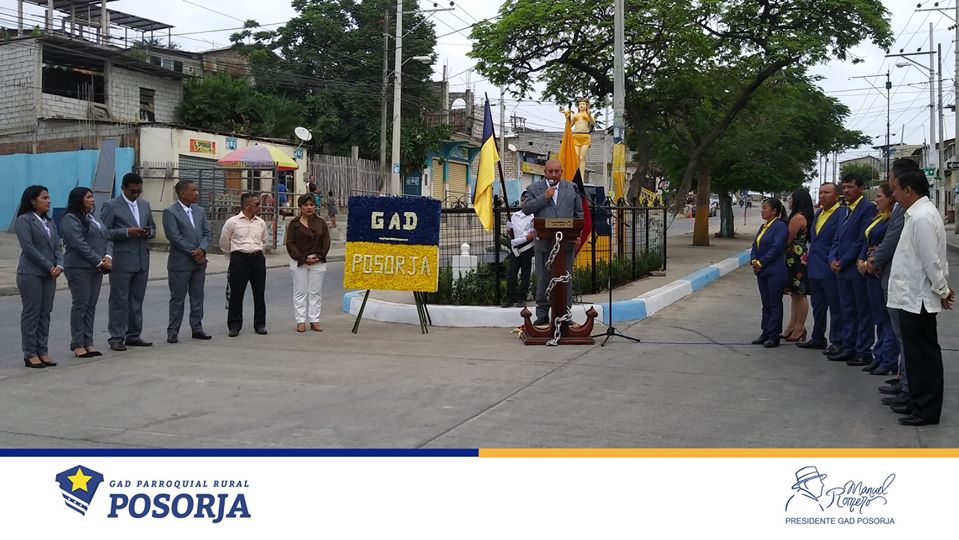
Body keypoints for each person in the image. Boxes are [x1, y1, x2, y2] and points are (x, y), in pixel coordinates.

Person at [886, 167, 954, 426]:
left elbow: (931, 261)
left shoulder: (922, 217)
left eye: (895, 190)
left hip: (918, 300)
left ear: (908, 190)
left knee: (924, 358)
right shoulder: (915, 214)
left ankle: (926, 409)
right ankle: (916, 401)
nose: (893, 195)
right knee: (915, 357)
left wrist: (942, 290)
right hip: (910, 299)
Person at [865, 159, 919, 407]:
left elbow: (891, 241)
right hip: (890, 274)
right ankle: (903, 379)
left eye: (891, 178)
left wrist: (873, 262)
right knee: (898, 333)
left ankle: (908, 386)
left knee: (902, 335)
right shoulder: (902, 208)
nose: (889, 183)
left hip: (899, 279)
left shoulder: (913, 212)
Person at [522, 159, 584, 326]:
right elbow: (526, 209)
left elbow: (579, 214)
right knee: (543, 278)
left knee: (565, 278)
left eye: (557, 171)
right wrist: (544, 197)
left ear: (561, 172)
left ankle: (565, 313)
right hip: (544, 242)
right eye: (551, 171)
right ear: (545, 172)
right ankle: (542, 313)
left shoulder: (571, 188)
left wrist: (577, 235)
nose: (554, 175)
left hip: (566, 243)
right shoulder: (534, 188)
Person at [101, 172, 156, 352]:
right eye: (133, 191)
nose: (136, 194)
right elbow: (104, 232)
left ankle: (133, 334)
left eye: (139, 191)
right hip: (122, 259)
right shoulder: (111, 206)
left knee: (136, 300)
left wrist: (149, 232)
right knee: (119, 300)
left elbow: (153, 227)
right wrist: (126, 232)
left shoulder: (144, 205)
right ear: (123, 188)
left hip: (141, 259)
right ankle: (116, 337)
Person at [827, 173, 876, 366]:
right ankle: (848, 347)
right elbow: (837, 239)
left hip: (856, 268)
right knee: (846, 310)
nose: (846, 190)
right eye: (844, 187)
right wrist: (832, 259)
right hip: (841, 270)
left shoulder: (867, 209)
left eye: (850, 187)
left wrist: (844, 260)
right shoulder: (843, 210)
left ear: (861, 188)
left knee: (862, 311)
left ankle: (863, 350)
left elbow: (861, 240)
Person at [60, 187, 112, 359]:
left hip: (97, 268)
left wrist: (107, 256)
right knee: (81, 304)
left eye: (92, 196)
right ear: (79, 200)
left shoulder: (93, 218)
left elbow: (107, 238)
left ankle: (88, 341)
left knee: (91, 305)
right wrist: (98, 261)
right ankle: (77, 343)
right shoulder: (70, 219)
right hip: (79, 267)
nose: (92, 199)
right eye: (88, 197)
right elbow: (78, 244)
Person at [15, 185, 63, 368]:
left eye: (48, 197)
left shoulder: (49, 222)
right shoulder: (24, 221)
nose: (49, 201)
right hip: (31, 273)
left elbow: (58, 246)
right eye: (44, 198)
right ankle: (30, 353)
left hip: (50, 274)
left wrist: (59, 265)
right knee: (32, 313)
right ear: (33, 201)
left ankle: (42, 350)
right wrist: (49, 266)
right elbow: (29, 248)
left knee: (45, 313)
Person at [163, 179, 213, 344]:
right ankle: (173, 331)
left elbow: (207, 233)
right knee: (177, 299)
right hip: (181, 263)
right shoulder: (170, 212)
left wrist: (202, 249)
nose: (197, 193)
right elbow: (174, 237)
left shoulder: (199, 210)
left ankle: (197, 328)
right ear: (183, 193)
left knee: (197, 297)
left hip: (199, 262)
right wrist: (194, 252)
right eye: (193, 190)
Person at [856, 182, 897, 376]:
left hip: (880, 271)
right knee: (878, 317)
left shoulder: (892, 221)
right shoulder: (878, 217)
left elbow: (886, 246)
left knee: (886, 319)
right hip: (869, 271)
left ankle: (889, 359)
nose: (876, 199)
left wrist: (870, 262)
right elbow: (867, 241)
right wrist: (861, 260)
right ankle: (879, 355)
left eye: (880, 196)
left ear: (890, 198)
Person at [798, 183, 843, 352]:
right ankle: (818, 337)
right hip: (815, 268)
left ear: (837, 195)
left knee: (836, 308)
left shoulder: (841, 214)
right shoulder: (819, 213)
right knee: (818, 307)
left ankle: (837, 340)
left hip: (830, 268)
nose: (822, 195)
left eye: (827, 192)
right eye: (821, 192)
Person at [220, 192, 269, 337]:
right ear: (247, 206)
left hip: (257, 258)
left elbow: (264, 240)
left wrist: (257, 252)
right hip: (239, 259)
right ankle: (234, 326)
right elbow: (224, 242)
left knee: (259, 293)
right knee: (236, 294)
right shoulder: (233, 222)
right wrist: (233, 256)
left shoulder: (261, 222)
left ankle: (260, 324)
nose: (259, 207)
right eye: (256, 204)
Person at [285, 194, 331, 332]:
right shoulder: (294, 224)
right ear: (300, 207)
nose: (309, 207)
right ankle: (300, 320)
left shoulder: (321, 223)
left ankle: (314, 320)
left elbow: (326, 241)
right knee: (300, 291)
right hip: (299, 261)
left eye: (311, 205)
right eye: (306, 205)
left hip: (318, 261)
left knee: (315, 292)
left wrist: (320, 256)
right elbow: (290, 243)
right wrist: (302, 258)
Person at [749, 198, 788, 348]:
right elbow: (755, 245)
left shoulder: (780, 226)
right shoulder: (763, 226)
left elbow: (777, 248)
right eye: (762, 208)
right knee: (766, 304)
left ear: (774, 211)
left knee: (774, 303)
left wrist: (761, 262)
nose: (762, 211)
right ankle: (765, 332)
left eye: (765, 208)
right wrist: (754, 260)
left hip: (775, 271)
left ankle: (774, 335)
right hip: (762, 271)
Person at [782, 188, 814, 342]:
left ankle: (800, 327)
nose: (789, 201)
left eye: (790, 198)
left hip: (795, 258)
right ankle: (792, 325)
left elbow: (787, 239)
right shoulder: (803, 216)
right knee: (794, 293)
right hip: (797, 257)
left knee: (799, 293)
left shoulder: (797, 218)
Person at [502, 191, 535, 308]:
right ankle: (510, 297)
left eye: (526, 200)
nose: (524, 202)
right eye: (522, 200)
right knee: (512, 273)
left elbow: (531, 235)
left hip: (526, 248)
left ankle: (522, 298)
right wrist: (509, 228)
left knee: (525, 274)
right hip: (515, 249)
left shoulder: (533, 217)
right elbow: (511, 232)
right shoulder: (515, 216)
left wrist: (517, 241)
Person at [565, 100, 595, 177]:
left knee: (582, 158)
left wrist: (589, 115)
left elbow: (593, 123)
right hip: (575, 136)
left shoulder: (588, 114)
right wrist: (567, 117)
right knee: (575, 156)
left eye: (583, 104)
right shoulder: (576, 115)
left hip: (585, 136)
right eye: (580, 104)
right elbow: (569, 126)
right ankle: (574, 175)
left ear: (586, 106)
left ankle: (581, 176)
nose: (581, 105)